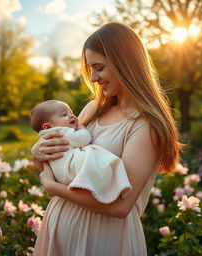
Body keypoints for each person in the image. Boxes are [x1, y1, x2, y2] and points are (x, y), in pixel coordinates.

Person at [31, 22, 181, 256]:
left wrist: (53, 187)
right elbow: (63, 164)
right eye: (90, 69)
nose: (93, 78)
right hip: (60, 228)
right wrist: (38, 155)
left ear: (124, 64)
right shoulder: (91, 110)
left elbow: (121, 206)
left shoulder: (145, 124)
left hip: (104, 239)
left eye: (99, 68)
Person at [30, 100, 132, 203]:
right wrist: (81, 129)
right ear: (47, 127)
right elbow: (82, 140)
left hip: (61, 175)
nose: (71, 116)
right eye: (64, 114)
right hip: (71, 168)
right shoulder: (60, 132)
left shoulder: (45, 137)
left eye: (71, 112)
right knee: (96, 161)